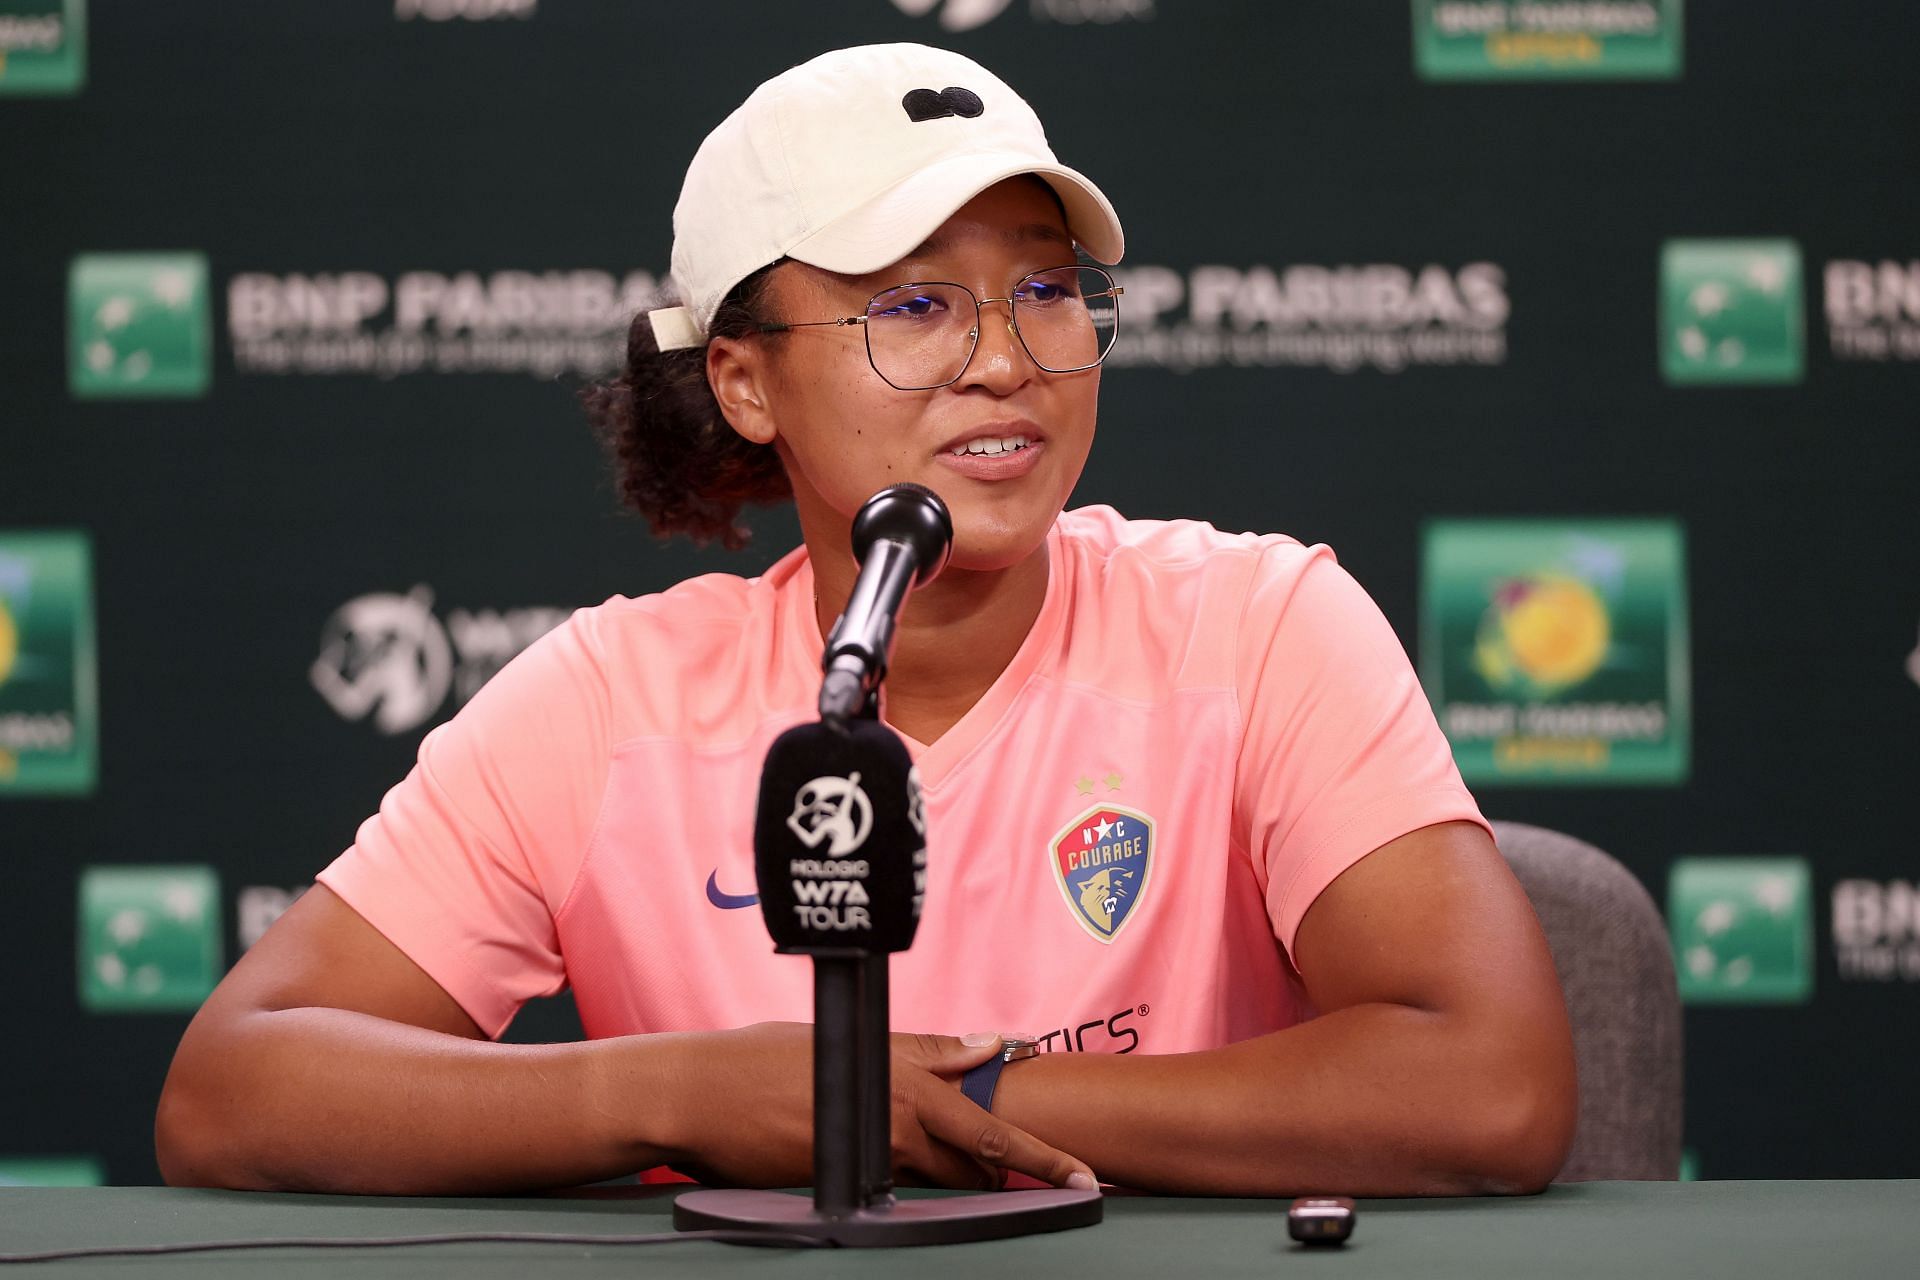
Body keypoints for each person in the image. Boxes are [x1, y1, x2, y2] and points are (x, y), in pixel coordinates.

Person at [156, 43, 1576, 1199]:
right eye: (912, 307)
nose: (1006, 364)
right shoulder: (612, 701)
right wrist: (685, 1091)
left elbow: (1489, 1081)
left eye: (1043, 294)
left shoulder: (1260, 629)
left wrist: (912, 1106)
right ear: (745, 383)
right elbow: (233, 1089)